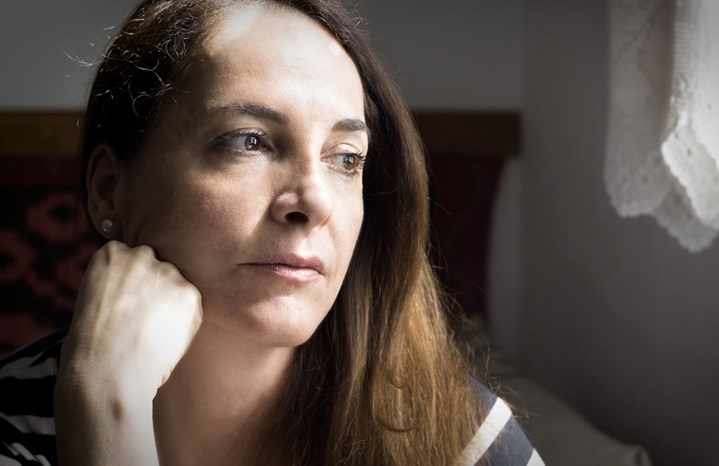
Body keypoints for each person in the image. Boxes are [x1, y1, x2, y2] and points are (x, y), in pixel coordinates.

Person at [0, 0, 545, 464]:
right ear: (108, 190)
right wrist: (106, 407)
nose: (314, 201)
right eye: (250, 141)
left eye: (346, 158)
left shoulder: (457, 438)